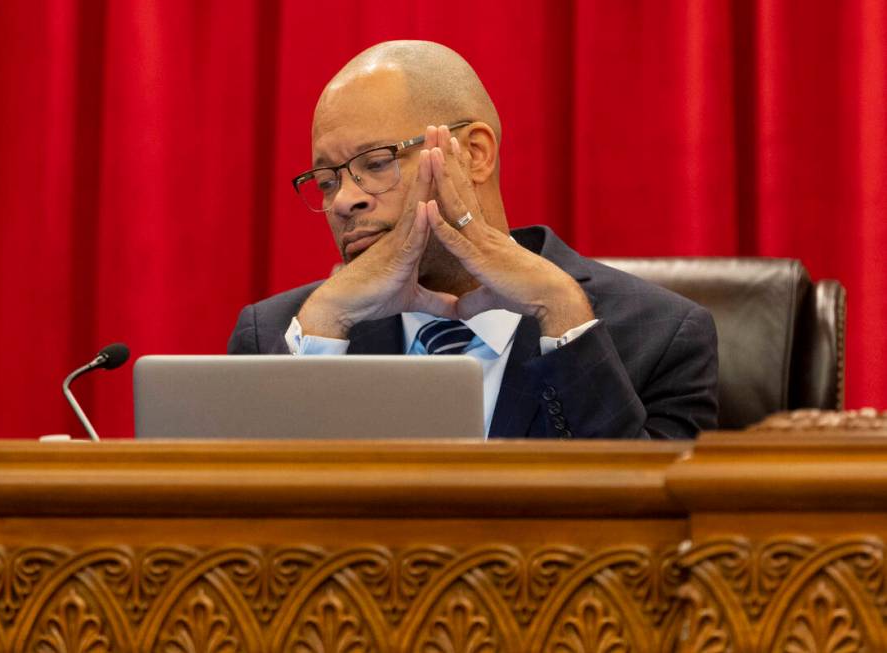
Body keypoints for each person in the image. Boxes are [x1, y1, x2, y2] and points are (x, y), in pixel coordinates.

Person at [228, 40, 718, 439]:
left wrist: (561, 312)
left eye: (376, 164)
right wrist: (325, 321)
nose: (342, 202)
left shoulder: (661, 336)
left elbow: (644, 537)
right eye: (328, 180)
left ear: (474, 154)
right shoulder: (279, 336)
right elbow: (242, 536)